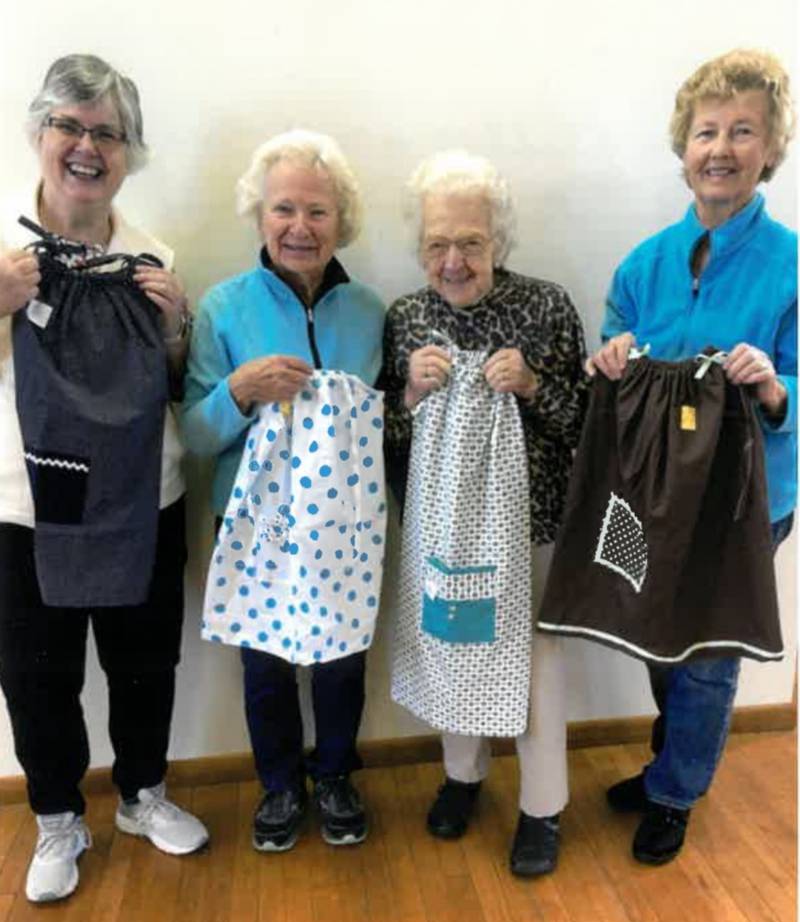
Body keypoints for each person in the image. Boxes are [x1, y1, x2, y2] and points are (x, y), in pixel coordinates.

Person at [0, 54, 208, 905]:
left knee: (145, 660)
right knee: (36, 671)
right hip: (25, 507)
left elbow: (174, 385)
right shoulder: (4, 252)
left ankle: (142, 794)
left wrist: (173, 327)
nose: (87, 146)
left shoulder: (151, 253)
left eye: (107, 133)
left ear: (129, 152)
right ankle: (56, 816)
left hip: (141, 497)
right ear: (39, 135)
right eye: (70, 127)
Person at [587, 48, 797, 865]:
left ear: (771, 149)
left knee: (707, 650)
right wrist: (610, 355)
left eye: (743, 130)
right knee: (654, 632)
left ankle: (675, 790)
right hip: (651, 493)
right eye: (707, 130)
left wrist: (775, 387)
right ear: (683, 151)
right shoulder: (644, 262)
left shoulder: (793, 264)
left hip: (750, 497)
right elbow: (617, 342)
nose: (721, 147)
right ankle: (668, 761)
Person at [381, 151, 587, 876]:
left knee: (536, 669)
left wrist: (532, 385)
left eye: (470, 241)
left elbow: (586, 426)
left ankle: (543, 807)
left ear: (498, 240)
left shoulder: (548, 306)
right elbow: (386, 439)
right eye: (437, 243)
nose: (454, 260)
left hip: (533, 527)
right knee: (452, 646)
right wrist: (407, 394)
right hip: (440, 532)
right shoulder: (405, 318)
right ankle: (463, 775)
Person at [182, 130, 384, 853]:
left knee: (341, 659)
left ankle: (334, 773)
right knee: (264, 662)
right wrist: (238, 392)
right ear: (259, 216)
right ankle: (277, 784)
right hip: (254, 521)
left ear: (342, 220)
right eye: (284, 209)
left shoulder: (368, 311)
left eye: (318, 212)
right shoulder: (222, 308)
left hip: (343, 525)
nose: (300, 227)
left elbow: (384, 423)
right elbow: (195, 437)